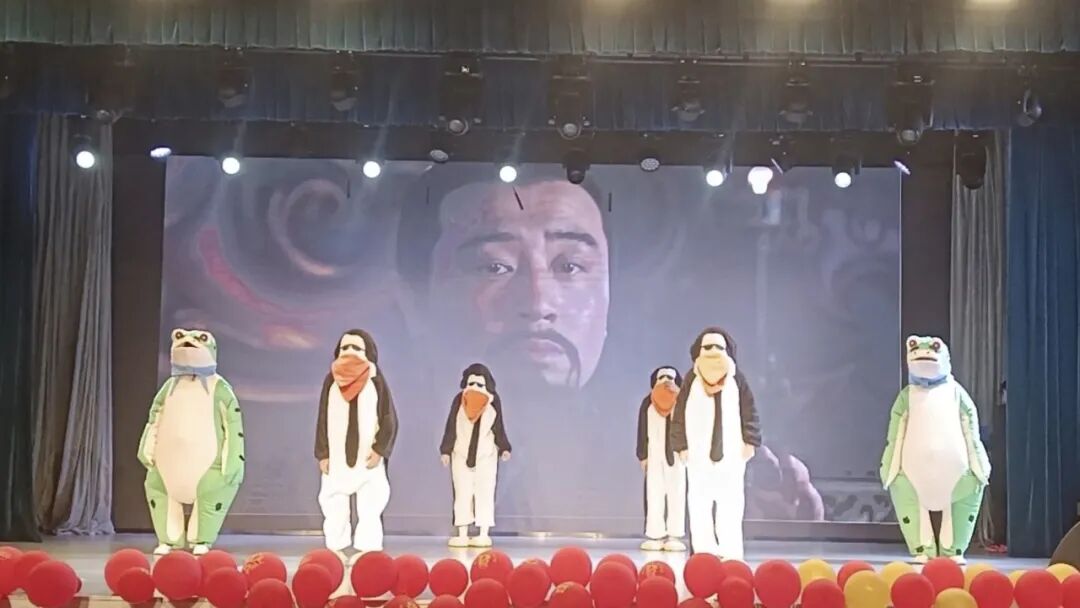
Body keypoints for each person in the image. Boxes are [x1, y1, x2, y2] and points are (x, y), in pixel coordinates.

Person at [669, 328, 761, 559]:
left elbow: (749, 411)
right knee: (699, 504)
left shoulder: (737, 380)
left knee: (731, 504)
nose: (712, 352)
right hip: (698, 455)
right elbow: (678, 415)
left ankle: (731, 552)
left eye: (718, 347)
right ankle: (704, 553)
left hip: (731, 454)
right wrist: (680, 444)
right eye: (707, 347)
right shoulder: (691, 380)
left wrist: (750, 439)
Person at [314, 329, 398, 563]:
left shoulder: (375, 380)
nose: (350, 352)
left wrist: (380, 449)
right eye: (345, 348)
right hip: (337, 459)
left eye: (356, 348)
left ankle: (368, 548)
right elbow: (322, 418)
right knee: (334, 503)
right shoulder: (331, 381)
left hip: (367, 458)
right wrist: (323, 453)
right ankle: (336, 546)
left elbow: (389, 418)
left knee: (371, 504)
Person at [440, 363, 512, 548]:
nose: (474, 388)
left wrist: (504, 447)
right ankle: (462, 532)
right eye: (471, 383)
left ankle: (483, 532)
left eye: (480, 385)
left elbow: (498, 428)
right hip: (461, 454)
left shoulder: (492, 403)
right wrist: (446, 450)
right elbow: (451, 427)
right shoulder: (459, 402)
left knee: (484, 493)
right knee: (462, 493)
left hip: (485, 456)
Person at [636, 366, 687, 551]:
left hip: (677, 456)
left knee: (677, 494)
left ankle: (675, 534)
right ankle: (655, 534)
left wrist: (685, 448)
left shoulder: (682, 403)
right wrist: (642, 455)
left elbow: (687, 427)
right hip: (654, 455)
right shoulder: (647, 404)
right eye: (662, 377)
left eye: (670, 378)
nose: (666, 381)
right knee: (654, 493)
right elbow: (642, 431)